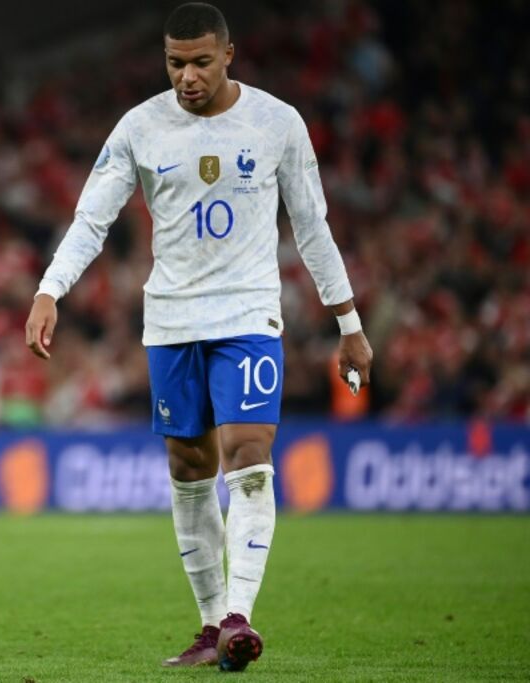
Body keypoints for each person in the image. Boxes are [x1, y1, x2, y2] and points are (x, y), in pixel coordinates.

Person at [25, 2, 373, 672]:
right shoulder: (140, 127)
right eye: (175, 63)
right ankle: (211, 624)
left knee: (248, 456)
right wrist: (50, 290)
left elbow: (312, 226)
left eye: (201, 62)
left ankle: (240, 615)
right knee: (189, 469)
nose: (187, 76)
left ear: (229, 55)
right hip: (172, 321)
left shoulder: (277, 123)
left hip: (247, 317)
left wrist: (349, 324)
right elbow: (91, 218)